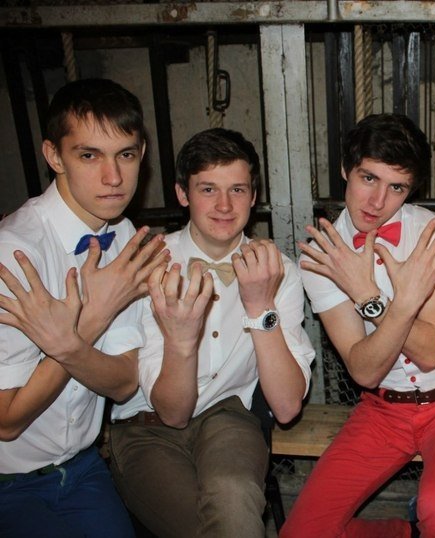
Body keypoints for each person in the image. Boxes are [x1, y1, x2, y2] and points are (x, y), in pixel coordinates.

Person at [282, 113, 435, 537]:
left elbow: (430, 352)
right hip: (382, 410)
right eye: (369, 178)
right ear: (346, 169)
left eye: (397, 187)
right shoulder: (322, 256)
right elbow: (364, 370)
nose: (377, 201)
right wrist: (401, 303)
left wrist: (367, 296)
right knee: (301, 531)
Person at [108, 128, 315, 538]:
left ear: (253, 196)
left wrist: (260, 306)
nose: (224, 205)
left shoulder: (279, 270)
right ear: (182, 194)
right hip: (146, 427)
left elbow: (287, 406)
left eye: (237, 189)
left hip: (228, 417)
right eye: (208, 189)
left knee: (234, 493)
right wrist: (181, 337)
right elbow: (172, 412)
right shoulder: (146, 265)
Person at [0, 78, 168, 537]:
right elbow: (7, 421)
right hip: (8, 483)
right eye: (89, 156)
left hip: (82, 467)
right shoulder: (15, 254)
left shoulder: (123, 234)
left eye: (126, 155)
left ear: (142, 153)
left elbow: (123, 382)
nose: (113, 178)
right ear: (54, 156)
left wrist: (69, 343)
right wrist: (92, 321)